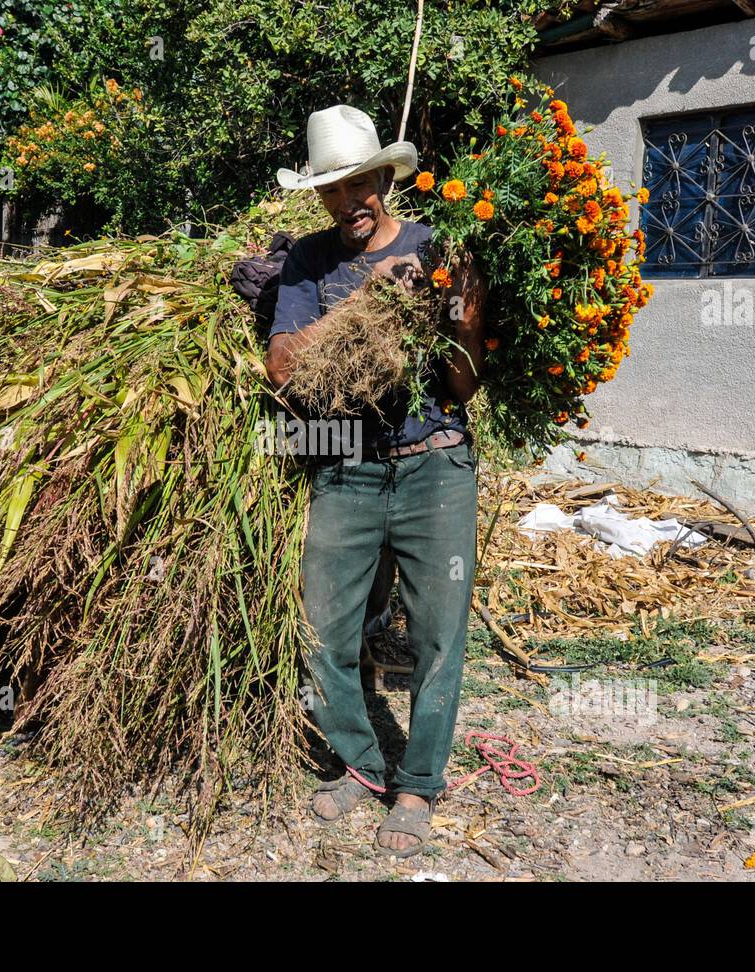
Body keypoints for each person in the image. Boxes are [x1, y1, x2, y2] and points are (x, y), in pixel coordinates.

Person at [265, 104, 486, 857]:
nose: (348, 202)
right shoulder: (307, 264)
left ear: (384, 179)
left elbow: (462, 384)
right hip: (346, 470)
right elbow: (286, 370)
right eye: (332, 191)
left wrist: (462, 314)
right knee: (322, 630)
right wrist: (364, 302)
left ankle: (419, 784)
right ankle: (359, 766)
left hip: (436, 467)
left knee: (436, 637)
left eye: (359, 184)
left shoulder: (438, 247)